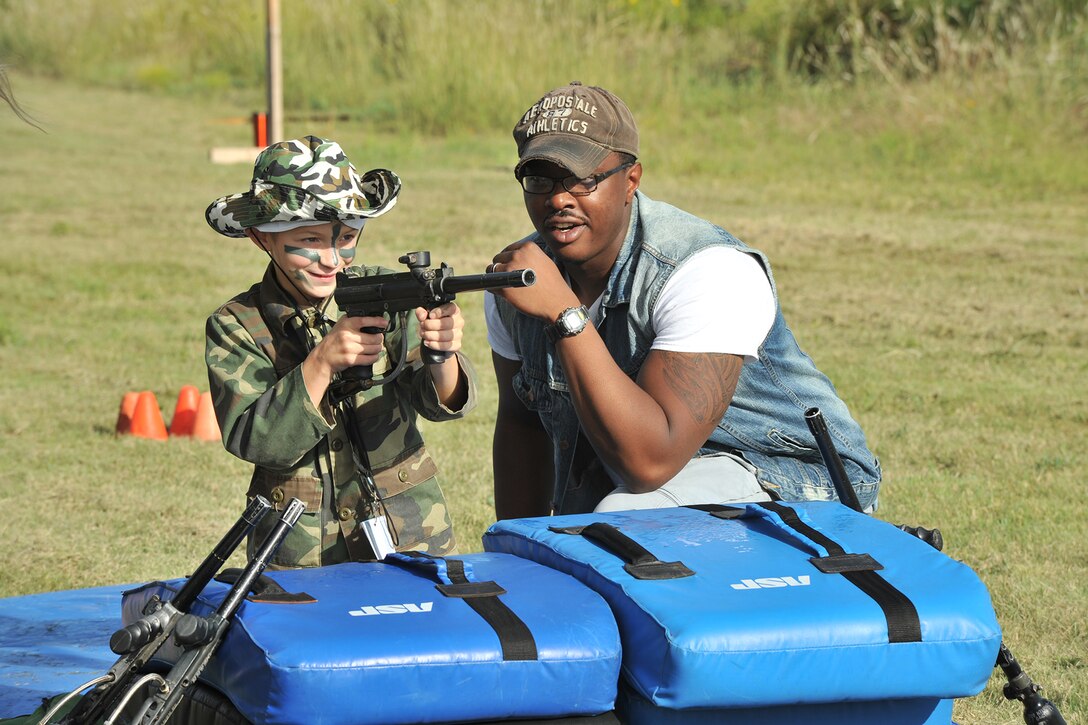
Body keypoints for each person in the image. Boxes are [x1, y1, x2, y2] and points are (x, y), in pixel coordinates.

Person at [485, 81, 880, 519]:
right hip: (642, 476)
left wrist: (565, 316)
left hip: (797, 481)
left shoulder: (708, 271)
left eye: (583, 180)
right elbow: (522, 425)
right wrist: (517, 555)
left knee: (627, 519)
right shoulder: (518, 280)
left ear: (630, 179)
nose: (558, 199)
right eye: (539, 178)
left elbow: (647, 464)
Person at [205, 135, 477, 568]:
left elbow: (438, 402)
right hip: (300, 549)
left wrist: (441, 356)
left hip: (409, 531)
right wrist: (321, 362)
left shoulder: (384, 294)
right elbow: (257, 441)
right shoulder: (237, 324)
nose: (333, 259)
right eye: (311, 240)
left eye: (348, 236)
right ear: (261, 238)